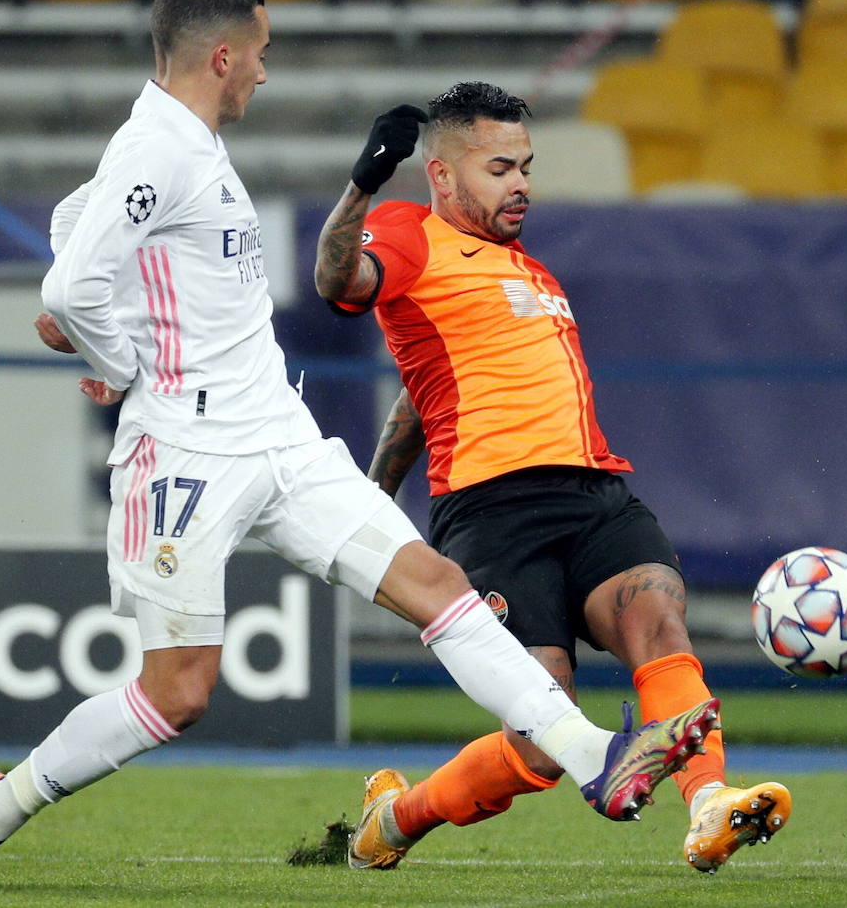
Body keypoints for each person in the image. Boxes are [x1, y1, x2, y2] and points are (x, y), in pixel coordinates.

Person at [0, 0, 719, 892]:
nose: (264, 69)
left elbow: (71, 229)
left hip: (280, 435)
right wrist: (118, 358)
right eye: (261, 51)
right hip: (185, 449)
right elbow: (66, 289)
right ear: (222, 56)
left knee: (437, 584)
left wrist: (108, 320)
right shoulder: (156, 147)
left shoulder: (185, 145)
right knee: (178, 695)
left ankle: (594, 756)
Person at [314, 81, 791, 874]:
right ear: (441, 175)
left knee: (660, 627)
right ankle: (396, 818)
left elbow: (423, 392)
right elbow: (339, 282)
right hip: (493, 510)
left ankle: (710, 806)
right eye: (501, 167)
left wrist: (376, 484)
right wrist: (365, 184)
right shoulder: (408, 231)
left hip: (596, 493)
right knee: (544, 733)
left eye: (527, 166)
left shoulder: (532, 274)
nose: (522, 184)